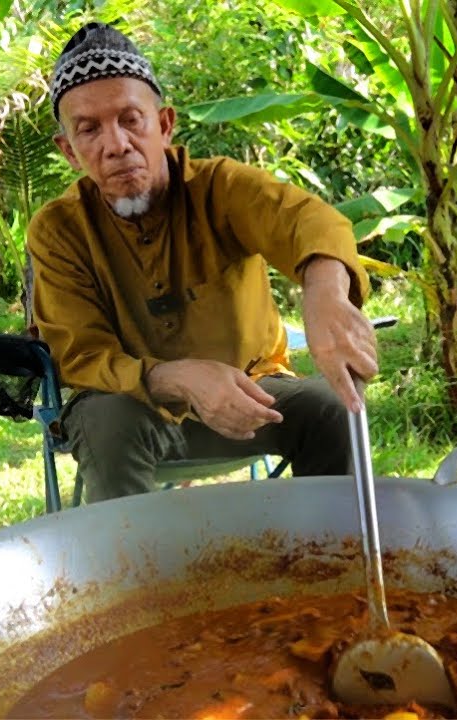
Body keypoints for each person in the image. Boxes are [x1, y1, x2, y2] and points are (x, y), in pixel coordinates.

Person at [27, 22, 378, 503]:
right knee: (105, 419)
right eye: (89, 130)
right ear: (69, 150)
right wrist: (178, 377)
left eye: (131, 119)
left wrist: (325, 289)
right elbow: (80, 355)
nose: (116, 144)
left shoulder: (220, 187)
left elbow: (306, 220)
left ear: (165, 124)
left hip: (252, 395)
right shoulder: (58, 229)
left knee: (329, 409)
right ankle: (133, 574)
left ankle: (332, 561)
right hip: (136, 410)